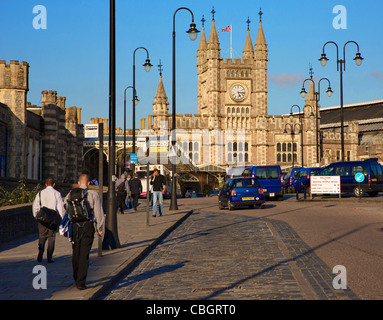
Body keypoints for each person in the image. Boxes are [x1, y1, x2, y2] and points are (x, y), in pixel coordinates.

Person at [63, 173, 104, 290]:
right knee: (84, 254)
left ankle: (76, 276)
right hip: (88, 226)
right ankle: (81, 282)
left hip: (75, 226)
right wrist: (100, 229)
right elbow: (98, 213)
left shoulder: (70, 194)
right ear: (89, 183)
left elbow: (64, 209)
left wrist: (67, 224)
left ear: (79, 182)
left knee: (76, 252)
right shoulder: (93, 194)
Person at [32, 177, 64, 263]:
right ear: (54, 184)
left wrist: (36, 216)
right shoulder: (57, 194)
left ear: (45, 184)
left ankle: (41, 250)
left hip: (42, 218)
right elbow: (60, 208)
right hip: (52, 219)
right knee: (51, 238)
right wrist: (62, 220)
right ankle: (49, 257)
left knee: (42, 236)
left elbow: (35, 206)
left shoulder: (40, 193)